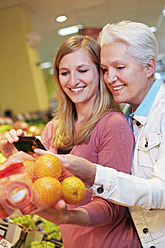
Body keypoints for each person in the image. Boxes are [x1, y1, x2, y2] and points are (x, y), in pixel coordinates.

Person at [0, 35, 141, 247]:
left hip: (110, 242)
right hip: (72, 240)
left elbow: (113, 207)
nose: (72, 80)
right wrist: (14, 158)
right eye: (64, 72)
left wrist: (68, 217)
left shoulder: (113, 124)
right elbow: (43, 185)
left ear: (100, 73)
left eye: (82, 71)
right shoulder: (53, 128)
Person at [38, 21, 165, 248]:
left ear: (149, 67)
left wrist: (93, 174)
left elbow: (159, 193)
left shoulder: (117, 122)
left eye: (119, 67)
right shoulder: (131, 115)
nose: (110, 78)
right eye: (106, 69)